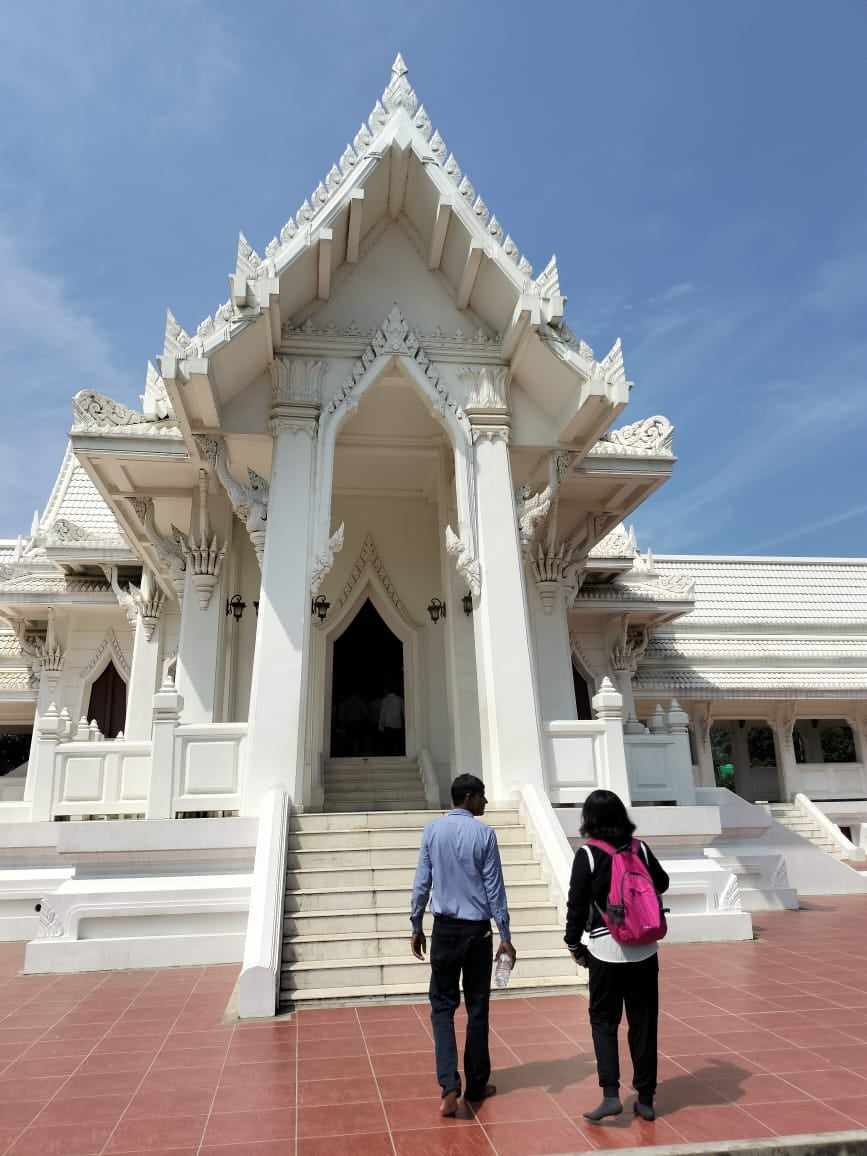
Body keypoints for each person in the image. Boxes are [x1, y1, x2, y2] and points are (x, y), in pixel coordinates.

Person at [410, 773, 516, 1117]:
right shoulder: (484, 834)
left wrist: (416, 924)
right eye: (482, 796)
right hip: (477, 932)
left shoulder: (432, 831)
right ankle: (475, 1083)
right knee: (477, 1007)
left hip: (443, 930)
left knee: (442, 1008)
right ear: (469, 797)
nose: (485, 802)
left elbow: (422, 882)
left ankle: (448, 1086)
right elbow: (494, 888)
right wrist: (505, 935)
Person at [564, 789, 669, 1123]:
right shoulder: (640, 848)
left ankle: (610, 1095)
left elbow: (576, 905)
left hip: (605, 950)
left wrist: (573, 945)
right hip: (645, 948)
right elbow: (662, 883)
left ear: (589, 820)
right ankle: (646, 1098)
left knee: (603, 1022)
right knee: (643, 1022)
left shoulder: (589, 855)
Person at [378, 687, 404, 755]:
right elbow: (404, 712)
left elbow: (382, 713)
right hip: (398, 725)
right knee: (398, 744)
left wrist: (380, 726)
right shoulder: (400, 699)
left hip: (388, 726)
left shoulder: (384, 700)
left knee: (388, 746)